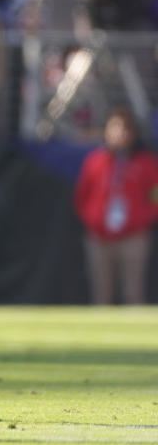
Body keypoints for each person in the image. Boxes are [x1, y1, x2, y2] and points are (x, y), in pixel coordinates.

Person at [73, 107, 158, 305]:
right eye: (115, 127)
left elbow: (155, 195)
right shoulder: (95, 161)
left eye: (125, 129)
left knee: (133, 293)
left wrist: (143, 218)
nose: (119, 133)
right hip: (99, 237)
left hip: (134, 237)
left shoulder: (147, 164)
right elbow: (82, 196)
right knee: (101, 294)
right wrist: (93, 221)